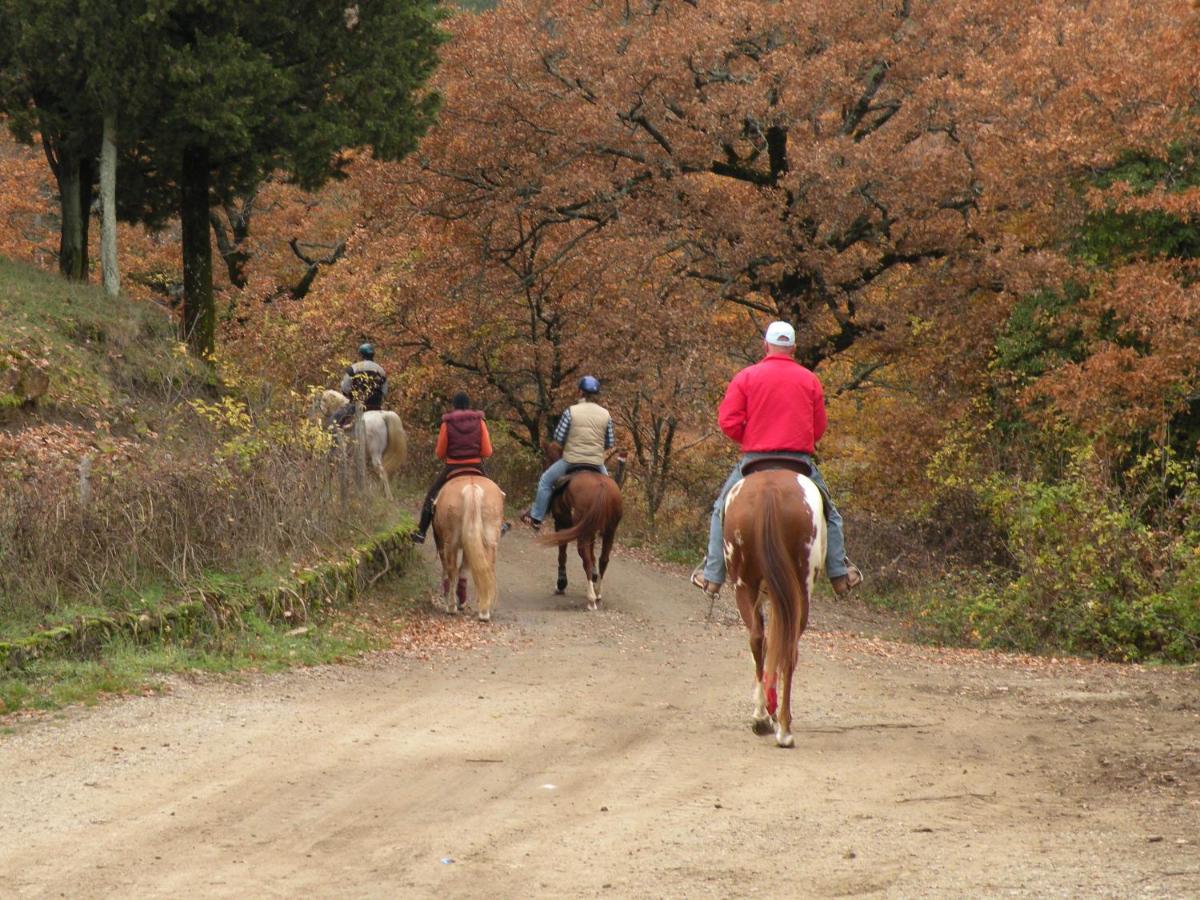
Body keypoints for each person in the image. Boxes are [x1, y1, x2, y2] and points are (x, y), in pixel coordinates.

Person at [691, 321, 863, 598]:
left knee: (720, 510)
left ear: (766, 346)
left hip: (754, 460)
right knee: (831, 514)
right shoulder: (809, 379)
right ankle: (839, 574)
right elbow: (819, 427)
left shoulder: (746, 377)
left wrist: (750, 437)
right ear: (793, 348)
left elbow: (728, 422)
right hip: (799, 462)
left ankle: (712, 576)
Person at [521, 375, 615, 530]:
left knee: (545, 480)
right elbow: (610, 442)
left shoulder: (571, 411)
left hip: (572, 460)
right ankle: (608, 522)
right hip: (597, 463)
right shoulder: (606, 414)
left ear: (580, 392)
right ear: (596, 394)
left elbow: (558, 438)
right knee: (610, 490)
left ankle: (536, 517)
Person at [412, 392, 494, 544]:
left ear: (454, 406)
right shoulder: (480, 422)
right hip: (476, 465)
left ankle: (421, 531)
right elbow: (487, 451)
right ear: (469, 406)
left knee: (431, 495)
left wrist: (449, 458)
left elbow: (440, 452)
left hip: (452, 467)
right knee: (495, 493)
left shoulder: (447, 424)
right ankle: (501, 523)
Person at [333, 343, 388, 427]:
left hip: (357, 406)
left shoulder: (354, 368)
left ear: (361, 355)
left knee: (334, 419)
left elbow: (345, 388)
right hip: (377, 406)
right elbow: (384, 391)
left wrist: (349, 395)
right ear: (373, 355)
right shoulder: (381, 370)